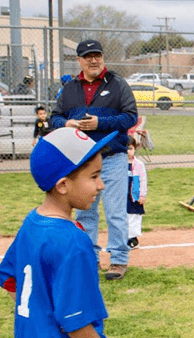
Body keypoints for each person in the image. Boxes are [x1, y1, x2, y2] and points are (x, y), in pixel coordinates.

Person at [1, 127, 134, 338]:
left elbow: (9, 277)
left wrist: (41, 316)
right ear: (63, 185)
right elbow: (75, 321)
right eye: (94, 177)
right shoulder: (73, 241)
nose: (102, 185)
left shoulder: (32, 221)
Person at [51, 39, 138, 281]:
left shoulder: (118, 84)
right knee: (85, 212)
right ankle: (89, 259)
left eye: (97, 55)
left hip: (112, 157)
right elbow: (55, 118)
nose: (93, 60)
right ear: (79, 60)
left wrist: (101, 123)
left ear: (102, 57)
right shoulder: (70, 89)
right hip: (81, 161)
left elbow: (131, 117)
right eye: (88, 56)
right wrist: (66, 123)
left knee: (115, 212)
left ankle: (119, 260)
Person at [126, 140, 147, 250]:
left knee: (134, 217)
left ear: (135, 149)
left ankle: (133, 239)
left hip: (134, 194)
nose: (128, 151)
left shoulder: (138, 164)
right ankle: (124, 238)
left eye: (130, 148)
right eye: (125, 149)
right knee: (123, 217)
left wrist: (142, 195)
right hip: (122, 195)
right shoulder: (119, 164)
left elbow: (143, 180)